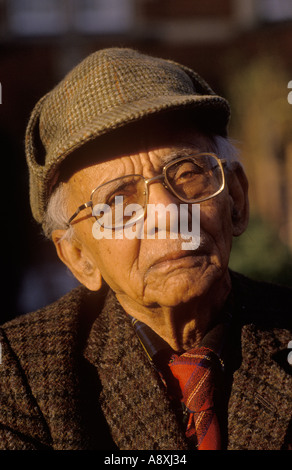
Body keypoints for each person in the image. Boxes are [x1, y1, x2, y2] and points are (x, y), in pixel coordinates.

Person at [0, 48, 291, 451]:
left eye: (187, 173)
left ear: (236, 199)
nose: (168, 213)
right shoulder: (22, 376)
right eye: (119, 200)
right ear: (78, 257)